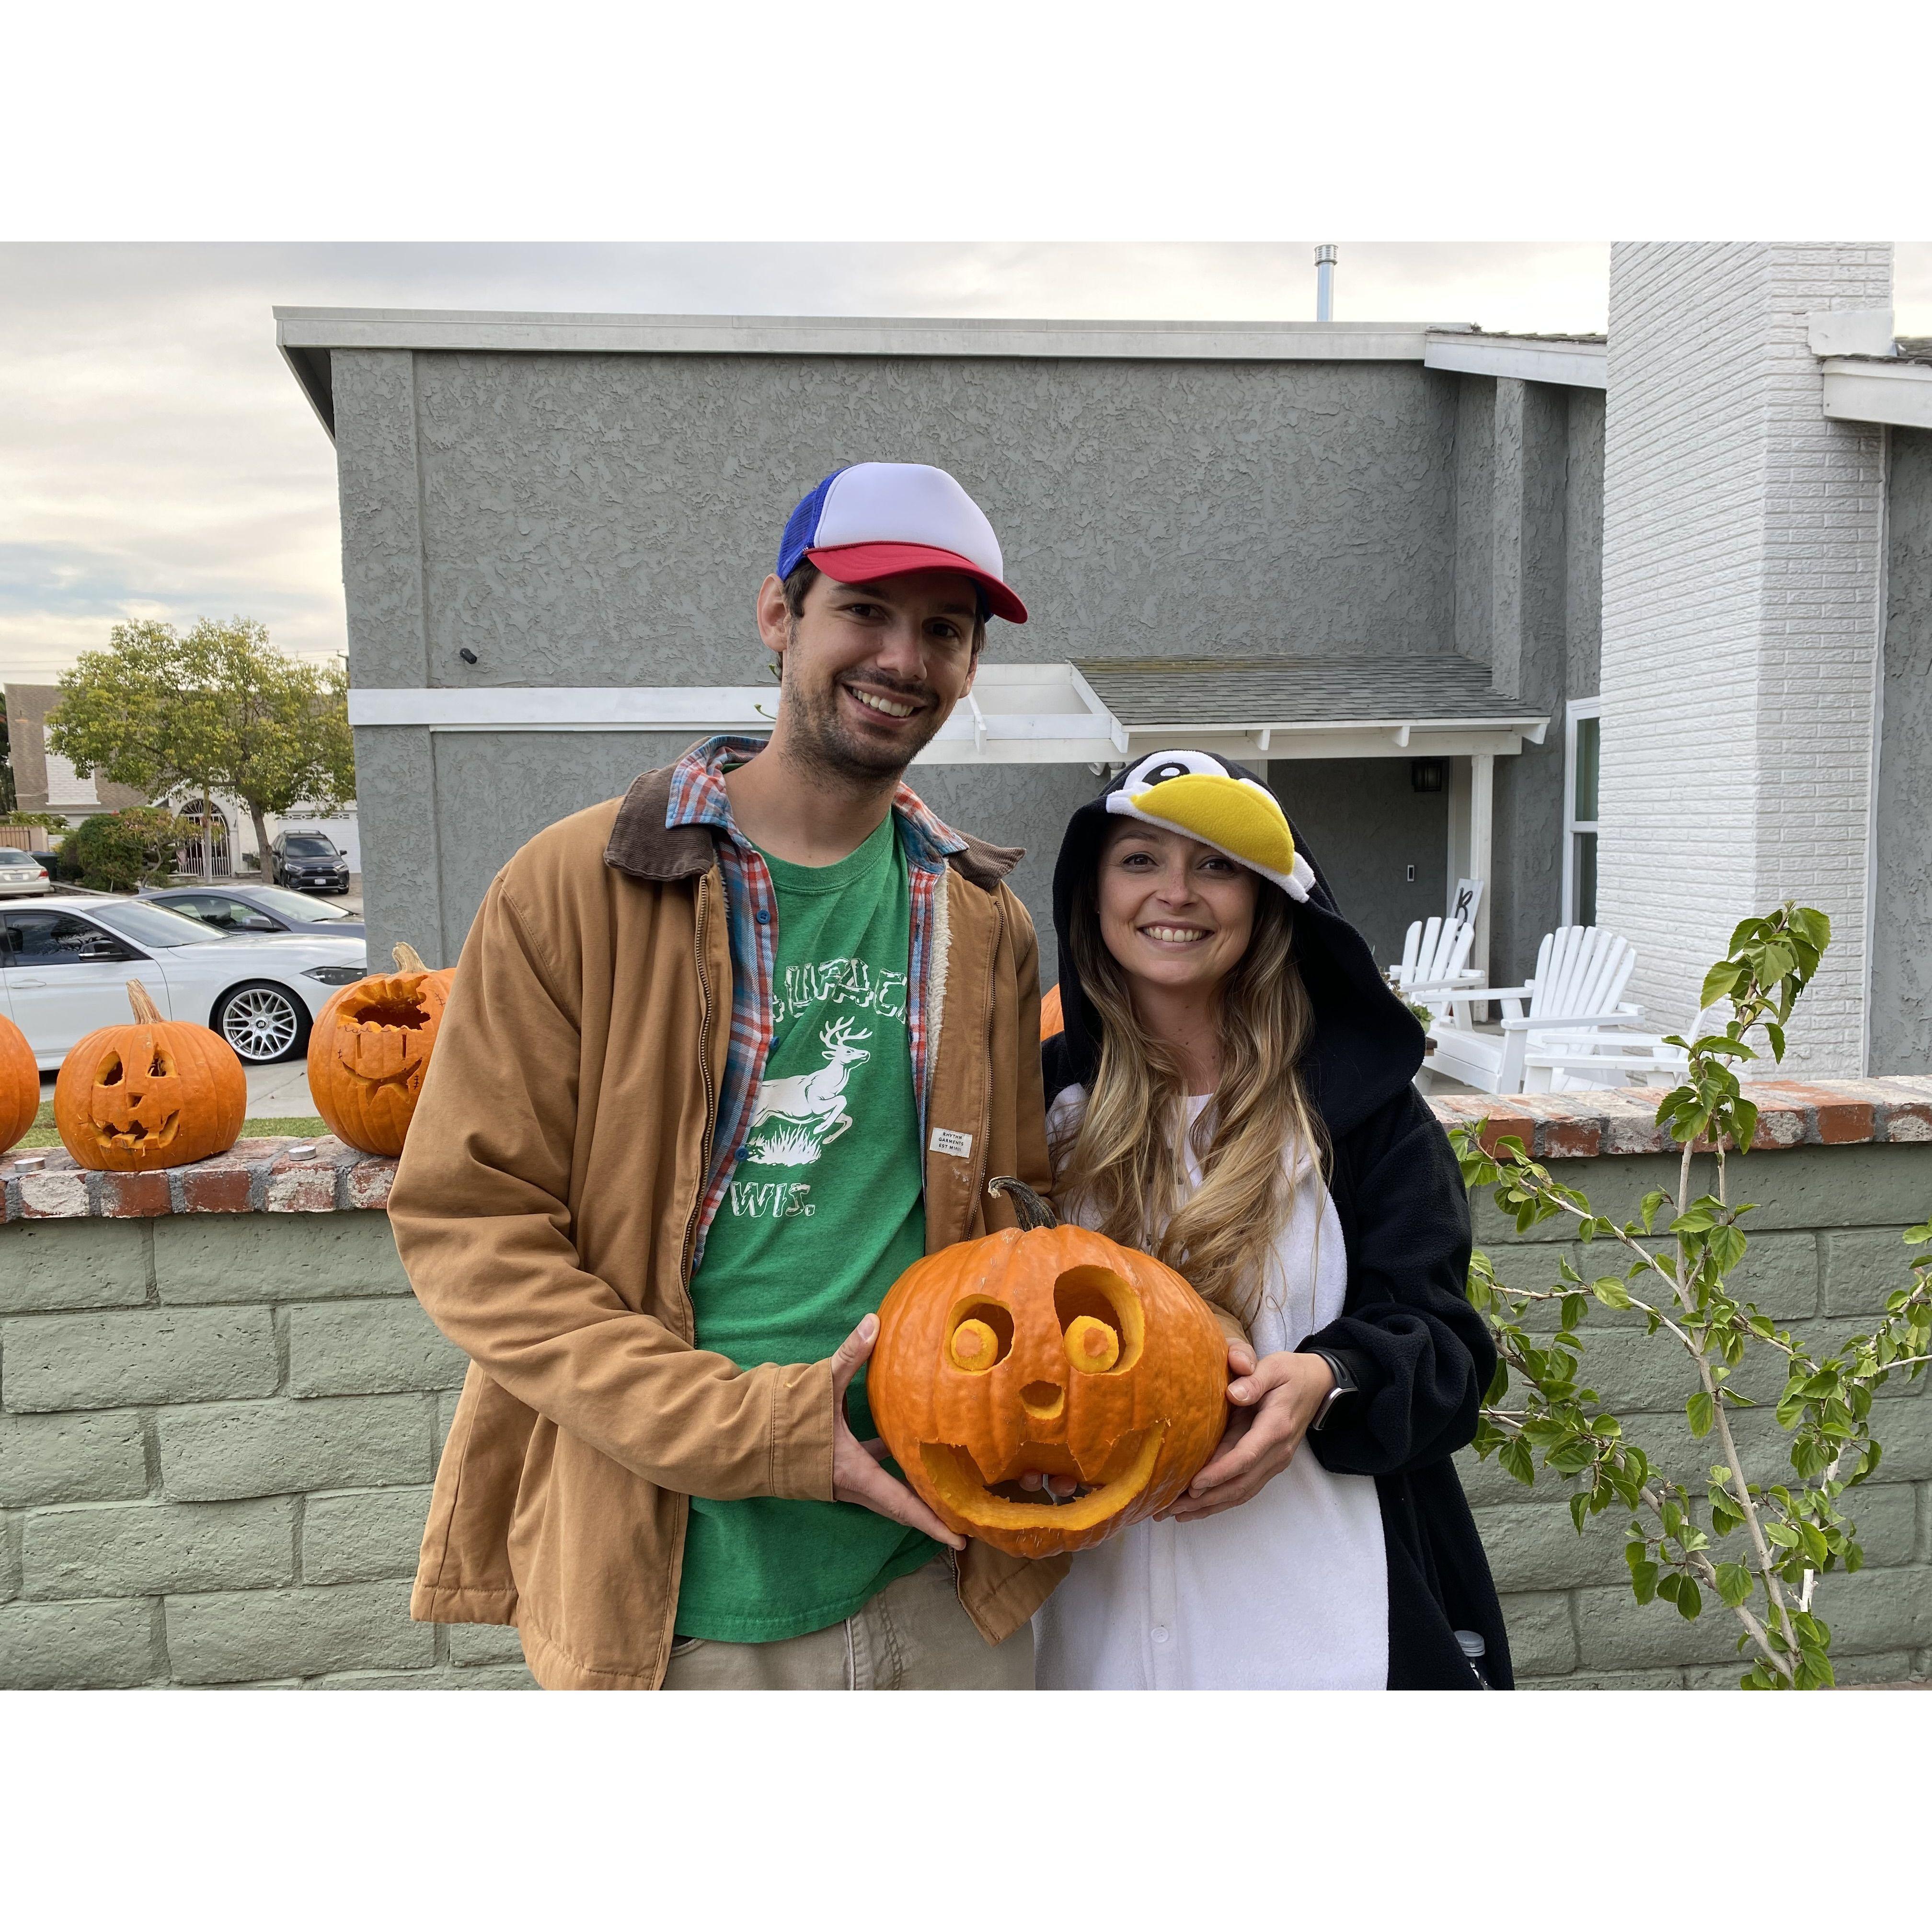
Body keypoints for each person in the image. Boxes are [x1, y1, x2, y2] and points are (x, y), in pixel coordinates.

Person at [391, 461, 1062, 1690]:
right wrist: (758, 1430)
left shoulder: (986, 921)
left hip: (943, 1573)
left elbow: (1010, 1223)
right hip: (680, 1587)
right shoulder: (575, 886)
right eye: (865, 610)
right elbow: (472, 1228)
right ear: (779, 617)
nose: (904, 658)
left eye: (945, 632)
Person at [1029, 749, 1510, 1689]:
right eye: (1139, 860)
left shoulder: (1361, 1117)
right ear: (1092, 893)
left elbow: (1447, 1352)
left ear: (1269, 898)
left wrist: (1327, 1379)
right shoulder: (1042, 1111)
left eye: (1216, 864)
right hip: (1089, 1629)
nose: (1177, 893)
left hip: (1318, 1625)